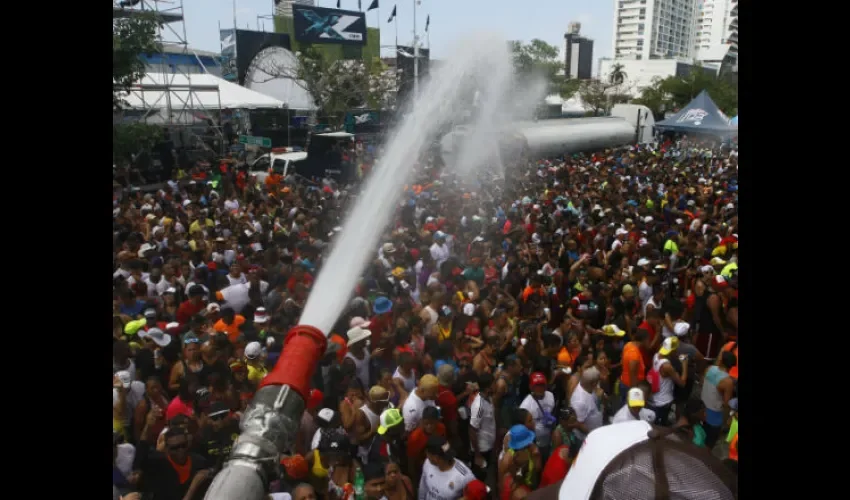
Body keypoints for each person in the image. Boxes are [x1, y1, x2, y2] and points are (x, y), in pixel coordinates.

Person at [136, 411, 212, 500]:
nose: (180, 450)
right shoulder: (158, 465)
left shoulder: (199, 462)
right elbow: (140, 457)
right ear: (167, 449)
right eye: (175, 448)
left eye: (183, 445)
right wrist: (148, 427)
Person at [648, 337, 689, 426]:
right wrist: (685, 364)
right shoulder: (667, 366)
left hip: (654, 398)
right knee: (660, 426)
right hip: (663, 402)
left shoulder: (656, 356)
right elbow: (682, 383)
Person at [419, 436, 474, 500]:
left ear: (436, 458)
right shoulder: (427, 463)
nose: (427, 456)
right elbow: (423, 487)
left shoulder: (465, 475)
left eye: (427, 453)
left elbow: (477, 493)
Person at [701, 350, 737, 449]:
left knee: (700, 437)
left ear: (721, 361)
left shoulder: (709, 368)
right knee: (709, 442)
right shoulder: (728, 381)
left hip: (702, 409)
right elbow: (726, 403)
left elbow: (701, 383)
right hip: (714, 415)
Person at [519, 372, 556, 462]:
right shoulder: (525, 405)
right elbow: (523, 427)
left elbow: (553, 411)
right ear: (531, 387)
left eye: (542, 385)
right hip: (535, 441)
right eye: (537, 386)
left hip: (548, 438)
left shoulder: (550, 396)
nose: (540, 388)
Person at [468, 373, 497, 480]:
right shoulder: (479, 406)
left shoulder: (489, 398)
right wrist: (477, 455)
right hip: (481, 449)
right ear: (488, 388)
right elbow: (472, 430)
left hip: (489, 446)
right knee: (479, 477)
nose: (496, 385)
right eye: (494, 384)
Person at [568, 366, 604, 443]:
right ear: (593, 383)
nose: (598, 383)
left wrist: (601, 397)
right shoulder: (580, 401)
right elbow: (578, 424)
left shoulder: (591, 387)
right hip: (586, 439)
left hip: (596, 432)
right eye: (597, 381)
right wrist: (592, 434)